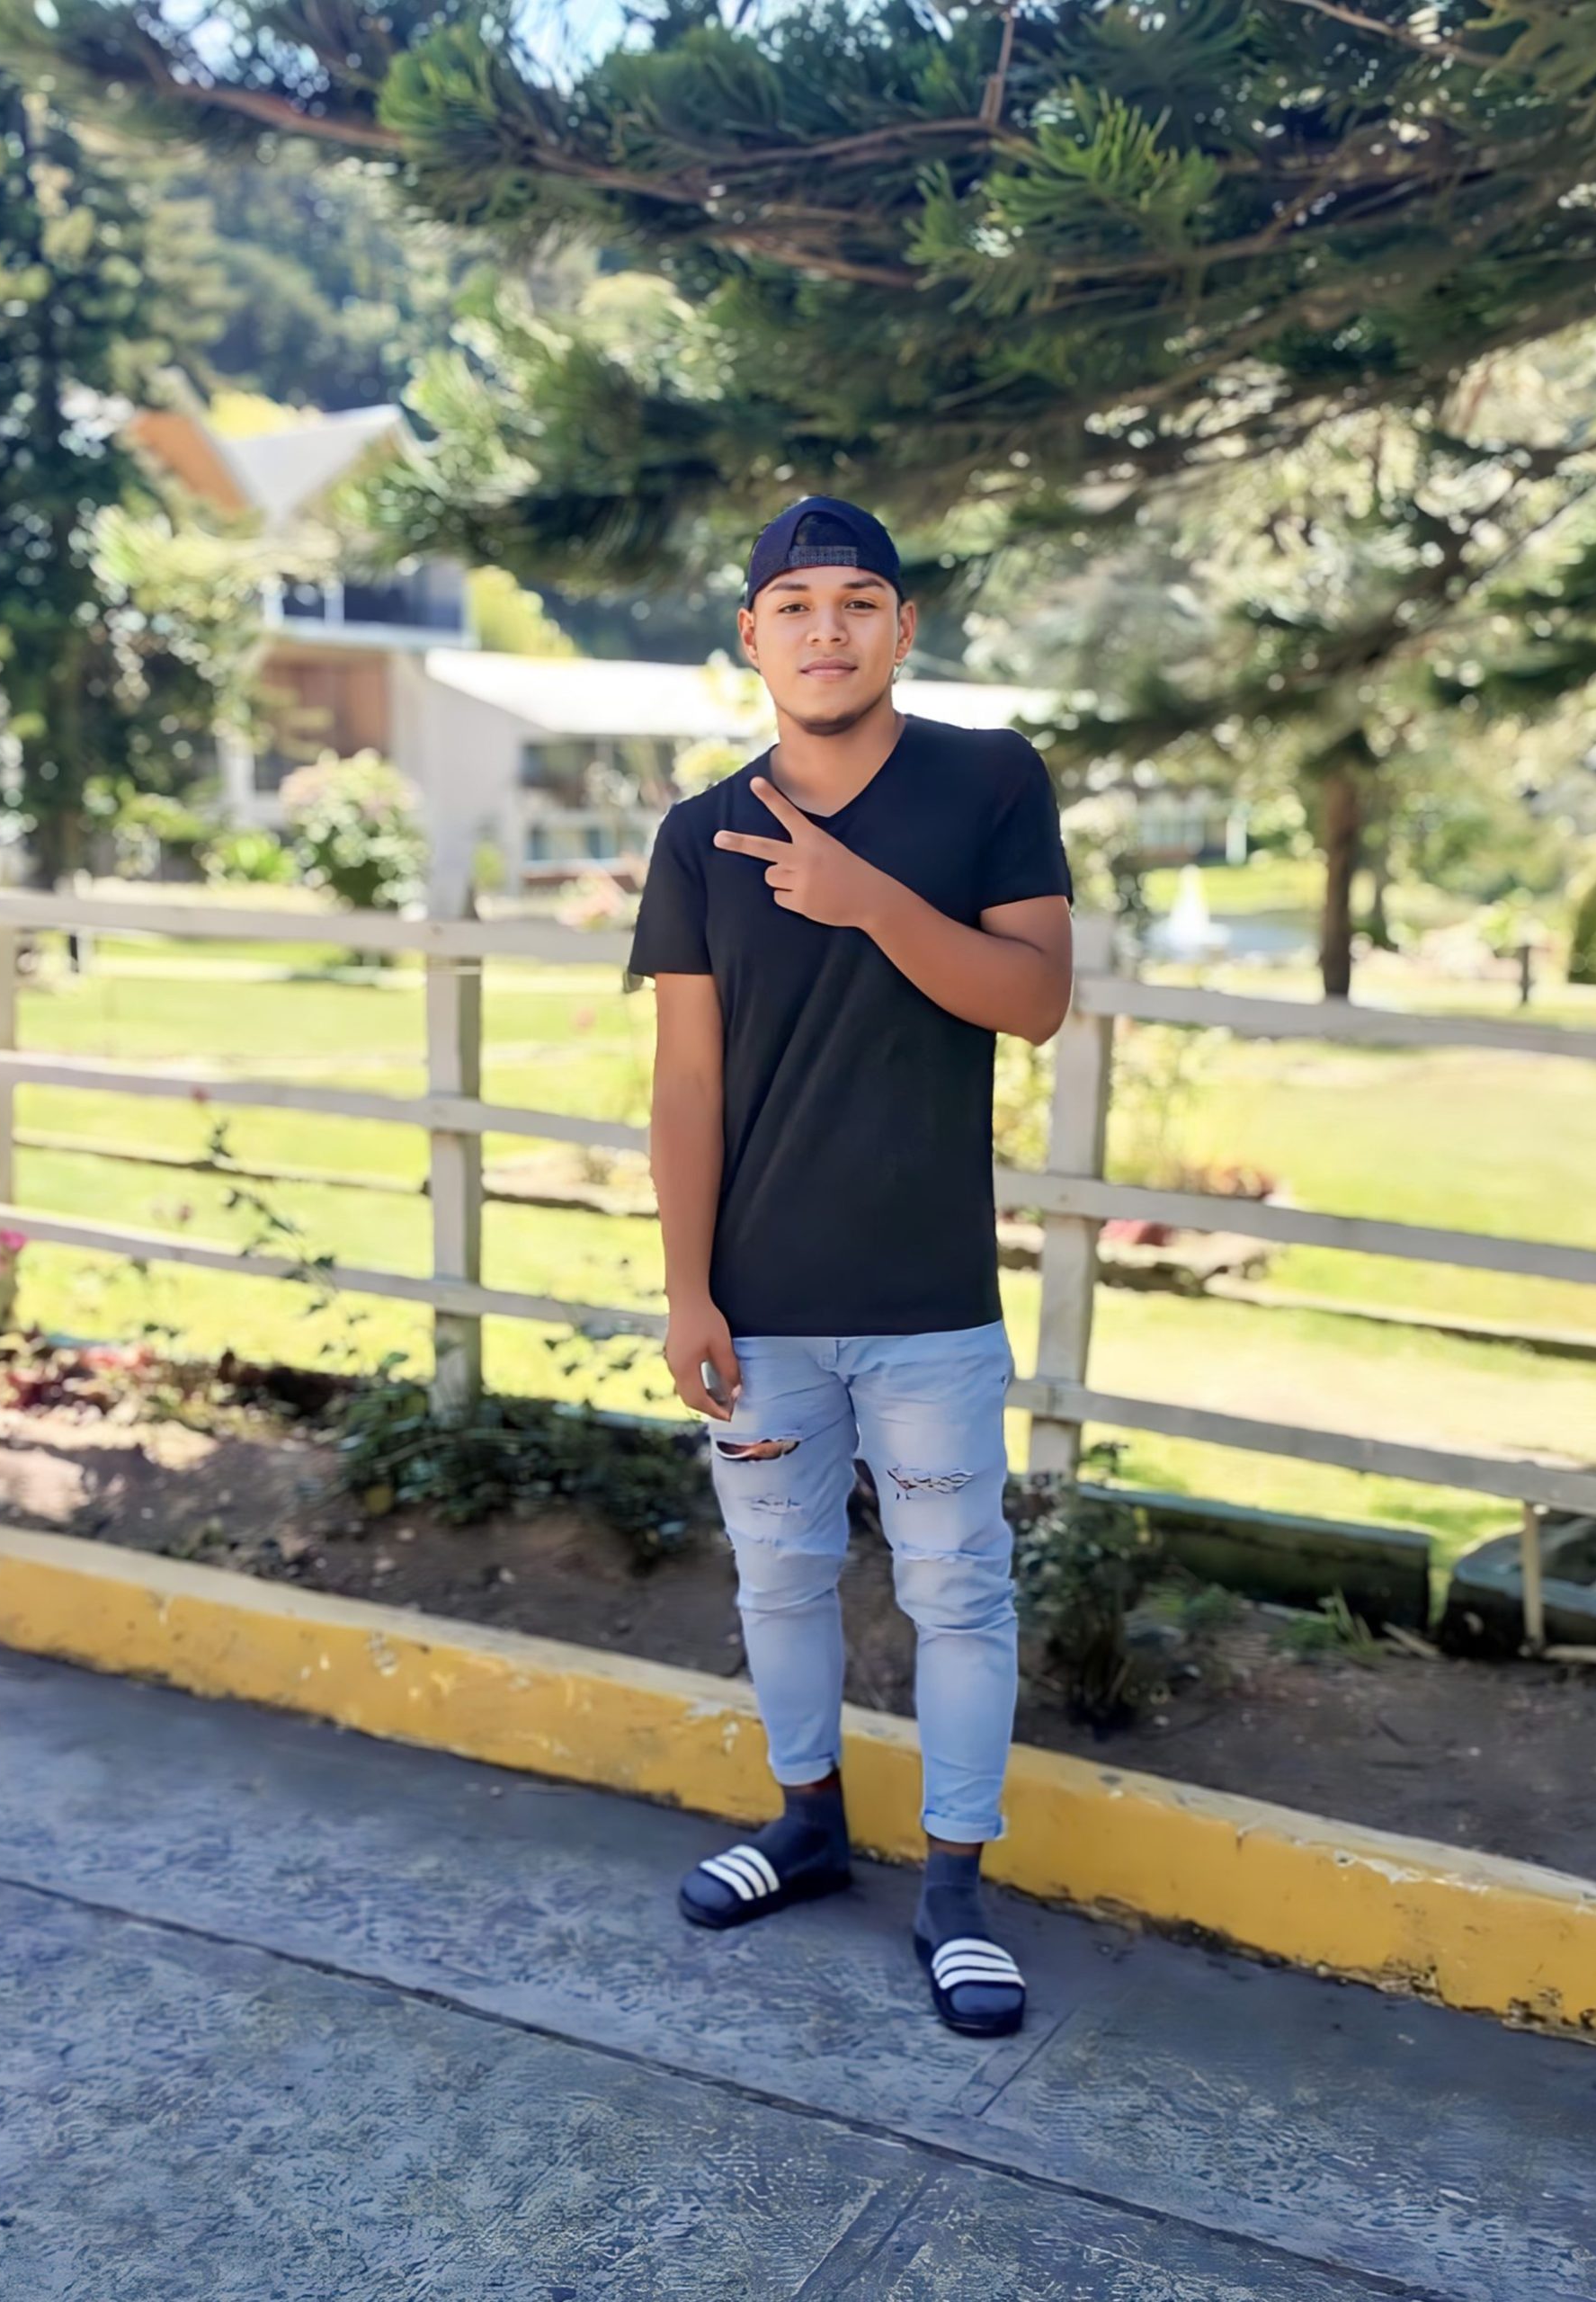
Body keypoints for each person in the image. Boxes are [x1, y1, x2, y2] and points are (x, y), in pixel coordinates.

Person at [625, 495, 1074, 2039]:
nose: (827, 629)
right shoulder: (699, 835)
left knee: (957, 1591)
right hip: (761, 1306)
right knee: (780, 1580)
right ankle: (807, 1824)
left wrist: (868, 898)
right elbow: (687, 1080)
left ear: (901, 627)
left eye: (857, 602)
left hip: (928, 1299)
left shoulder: (988, 780)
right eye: (796, 605)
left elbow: (1032, 1000)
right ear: (751, 636)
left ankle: (954, 1889)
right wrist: (689, 1289)